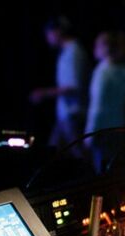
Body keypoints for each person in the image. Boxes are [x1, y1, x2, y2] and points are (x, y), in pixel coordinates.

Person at [30, 16, 89, 157]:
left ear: (57, 32)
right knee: (53, 152)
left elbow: (72, 86)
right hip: (65, 114)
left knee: (78, 154)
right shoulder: (67, 52)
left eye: (48, 34)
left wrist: (43, 93)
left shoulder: (73, 52)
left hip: (72, 114)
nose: (47, 38)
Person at [84, 31, 125, 174]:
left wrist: (89, 133)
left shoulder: (102, 72)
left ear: (105, 47)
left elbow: (98, 106)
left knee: (101, 172)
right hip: (119, 127)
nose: (94, 49)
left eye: (97, 45)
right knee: (115, 169)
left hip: (102, 131)